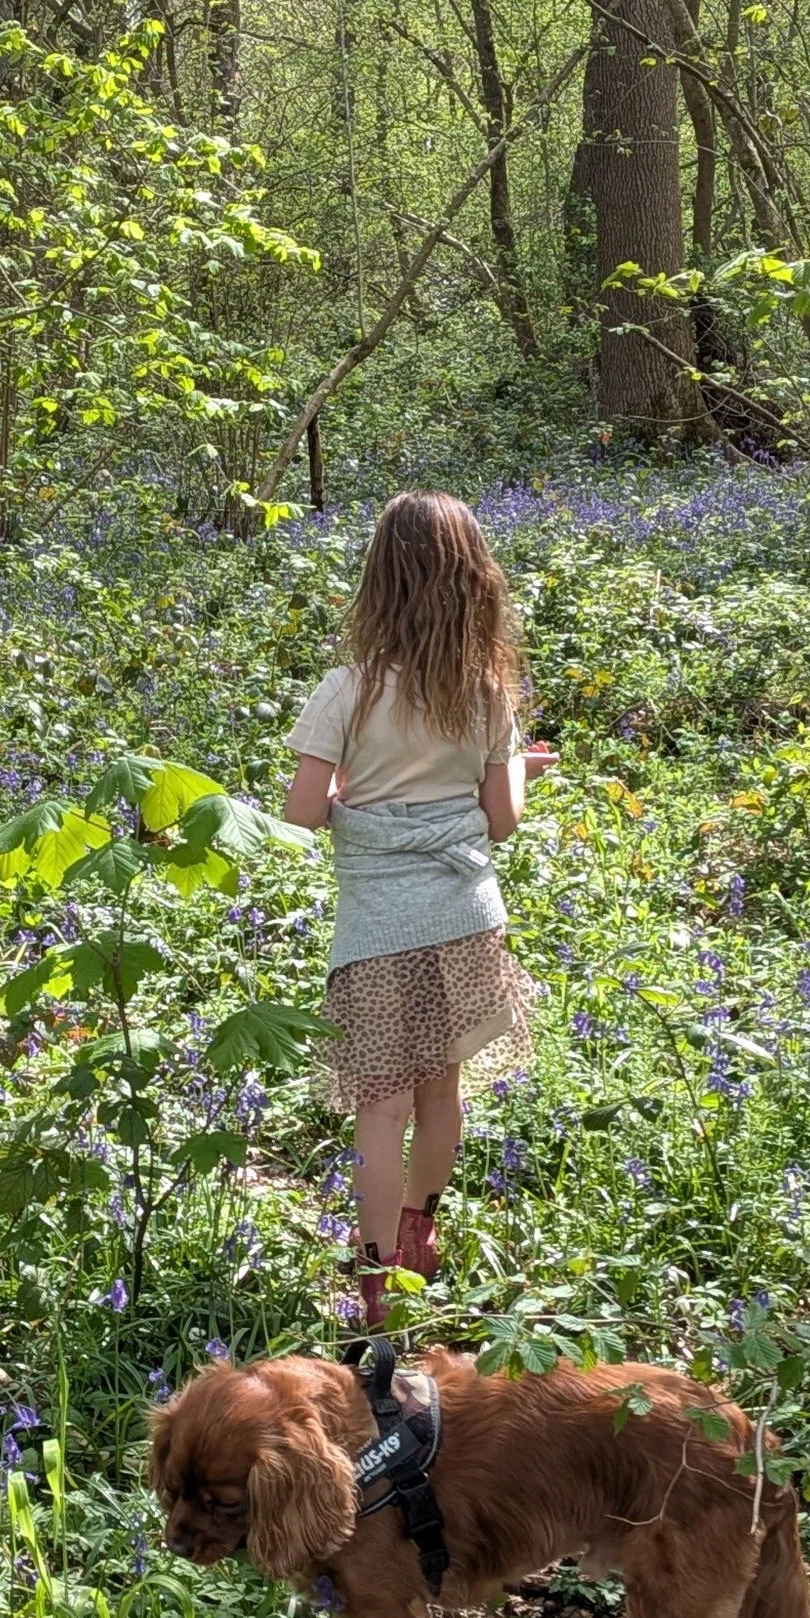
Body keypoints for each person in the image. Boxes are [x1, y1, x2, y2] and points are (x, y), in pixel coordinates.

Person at [282, 491, 556, 1330]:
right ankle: (417, 1241)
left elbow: (299, 814)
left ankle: (370, 1281)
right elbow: (499, 821)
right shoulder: (484, 692)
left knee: (381, 1102)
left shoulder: (346, 691)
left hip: (378, 928)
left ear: (377, 583)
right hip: (466, 914)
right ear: (474, 582)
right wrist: (521, 773)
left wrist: (344, 793)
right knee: (442, 1093)